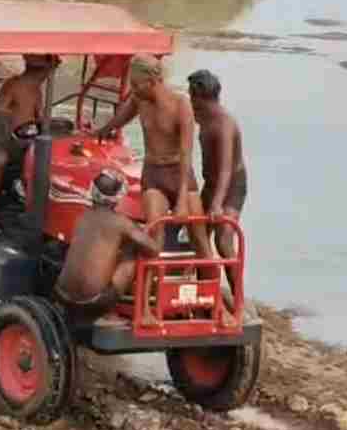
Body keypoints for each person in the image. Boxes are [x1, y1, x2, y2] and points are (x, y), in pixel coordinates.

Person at [90, 55, 213, 325]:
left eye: (137, 84)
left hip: (180, 174)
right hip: (154, 174)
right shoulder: (139, 100)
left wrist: (181, 200)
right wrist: (104, 130)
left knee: (201, 241)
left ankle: (215, 305)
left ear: (153, 80)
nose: (133, 90)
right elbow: (120, 118)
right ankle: (144, 309)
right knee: (151, 241)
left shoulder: (181, 105)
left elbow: (186, 155)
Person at [54, 170, 157, 319]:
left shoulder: (82, 217)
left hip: (62, 296)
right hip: (95, 301)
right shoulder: (120, 223)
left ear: (92, 190)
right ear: (118, 198)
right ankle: (136, 309)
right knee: (132, 254)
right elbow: (153, 250)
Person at [188, 69, 248, 319]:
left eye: (191, 95)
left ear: (200, 96)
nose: (189, 100)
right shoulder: (202, 115)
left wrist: (216, 204)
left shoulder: (223, 123)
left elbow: (225, 169)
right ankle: (207, 296)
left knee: (223, 241)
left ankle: (238, 300)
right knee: (198, 238)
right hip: (212, 185)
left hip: (232, 186)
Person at [0, 54, 60, 226]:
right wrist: (3, 137)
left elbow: (39, 119)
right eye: (49, 71)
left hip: (28, 142)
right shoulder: (14, 85)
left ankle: (37, 211)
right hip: (6, 142)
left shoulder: (37, 91)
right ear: (42, 71)